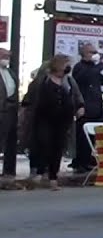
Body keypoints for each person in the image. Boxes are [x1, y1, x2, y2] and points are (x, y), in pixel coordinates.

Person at [20, 54, 85, 190]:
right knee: (45, 144)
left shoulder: (69, 81)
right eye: (65, 64)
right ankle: (39, 171)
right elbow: (31, 98)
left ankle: (53, 177)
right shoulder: (43, 81)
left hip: (63, 119)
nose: (68, 67)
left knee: (58, 147)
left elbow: (76, 95)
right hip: (44, 118)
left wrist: (79, 107)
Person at [70, 43, 103, 174]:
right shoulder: (80, 67)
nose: (94, 54)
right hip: (85, 108)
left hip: (96, 107)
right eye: (92, 52)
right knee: (82, 137)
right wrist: (101, 64)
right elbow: (87, 76)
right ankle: (80, 162)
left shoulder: (93, 68)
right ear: (84, 53)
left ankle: (88, 159)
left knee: (92, 137)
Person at [0, 47, 22, 190]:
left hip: (11, 110)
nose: (6, 58)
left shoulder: (11, 73)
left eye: (8, 56)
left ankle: (8, 170)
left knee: (9, 140)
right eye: (4, 56)